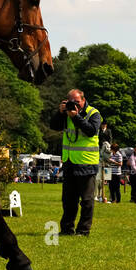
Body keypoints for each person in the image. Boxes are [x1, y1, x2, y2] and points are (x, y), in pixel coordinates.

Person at [51, 89, 102, 236]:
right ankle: (67, 229)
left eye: (77, 102)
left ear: (83, 100)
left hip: (87, 162)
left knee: (86, 200)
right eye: (72, 102)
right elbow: (54, 126)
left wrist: (76, 117)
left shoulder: (94, 113)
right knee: (68, 200)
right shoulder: (66, 113)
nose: (75, 105)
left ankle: (83, 230)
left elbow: (91, 130)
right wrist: (60, 112)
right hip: (69, 162)